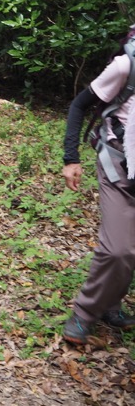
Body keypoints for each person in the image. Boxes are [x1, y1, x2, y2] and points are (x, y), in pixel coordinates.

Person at [61, 44, 135, 345]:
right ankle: (84, 312)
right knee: (117, 249)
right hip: (117, 163)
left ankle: (111, 305)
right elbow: (79, 105)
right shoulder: (125, 65)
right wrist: (71, 158)